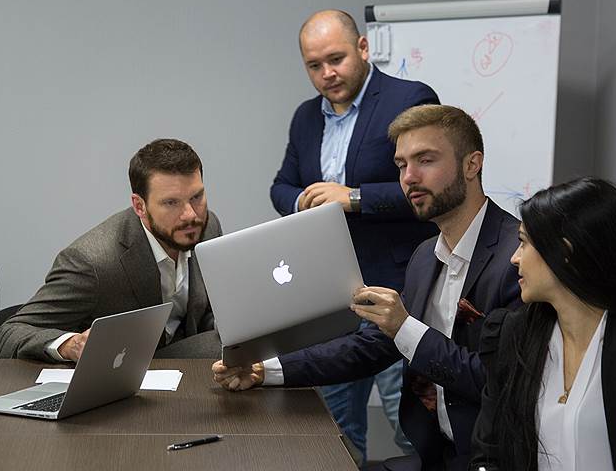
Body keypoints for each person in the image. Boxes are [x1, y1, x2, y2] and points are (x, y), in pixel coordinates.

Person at [218, 104, 521, 471]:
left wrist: (404, 326)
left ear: (472, 164)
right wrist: (264, 370)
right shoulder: (425, 256)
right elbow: (372, 346)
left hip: (492, 458)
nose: (409, 177)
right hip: (435, 454)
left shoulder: (517, 259)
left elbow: (496, 383)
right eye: (401, 165)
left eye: (425, 160)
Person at [270, 9, 441, 458]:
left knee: (409, 425)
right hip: (331, 296)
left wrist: (354, 197)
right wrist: (303, 202)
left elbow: (430, 189)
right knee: (337, 430)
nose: (327, 73)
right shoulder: (306, 117)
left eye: (336, 59)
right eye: (314, 65)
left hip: (398, 290)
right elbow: (281, 185)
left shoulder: (410, 98)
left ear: (363, 48)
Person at [469, 177, 616, 471]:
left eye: (524, 242)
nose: (514, 258)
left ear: (564, 253)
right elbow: (488, 454)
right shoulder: (513, 336)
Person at [0, 138, 222, 362]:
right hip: (124, 372)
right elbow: (7, 334)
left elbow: (203, 312)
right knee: (217, 346)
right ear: (139, 206)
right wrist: (71, 345)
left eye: (196, 197)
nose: (190, 214)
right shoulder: (92, 262)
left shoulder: (205, 227)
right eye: (171, 203)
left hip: (187, 370)